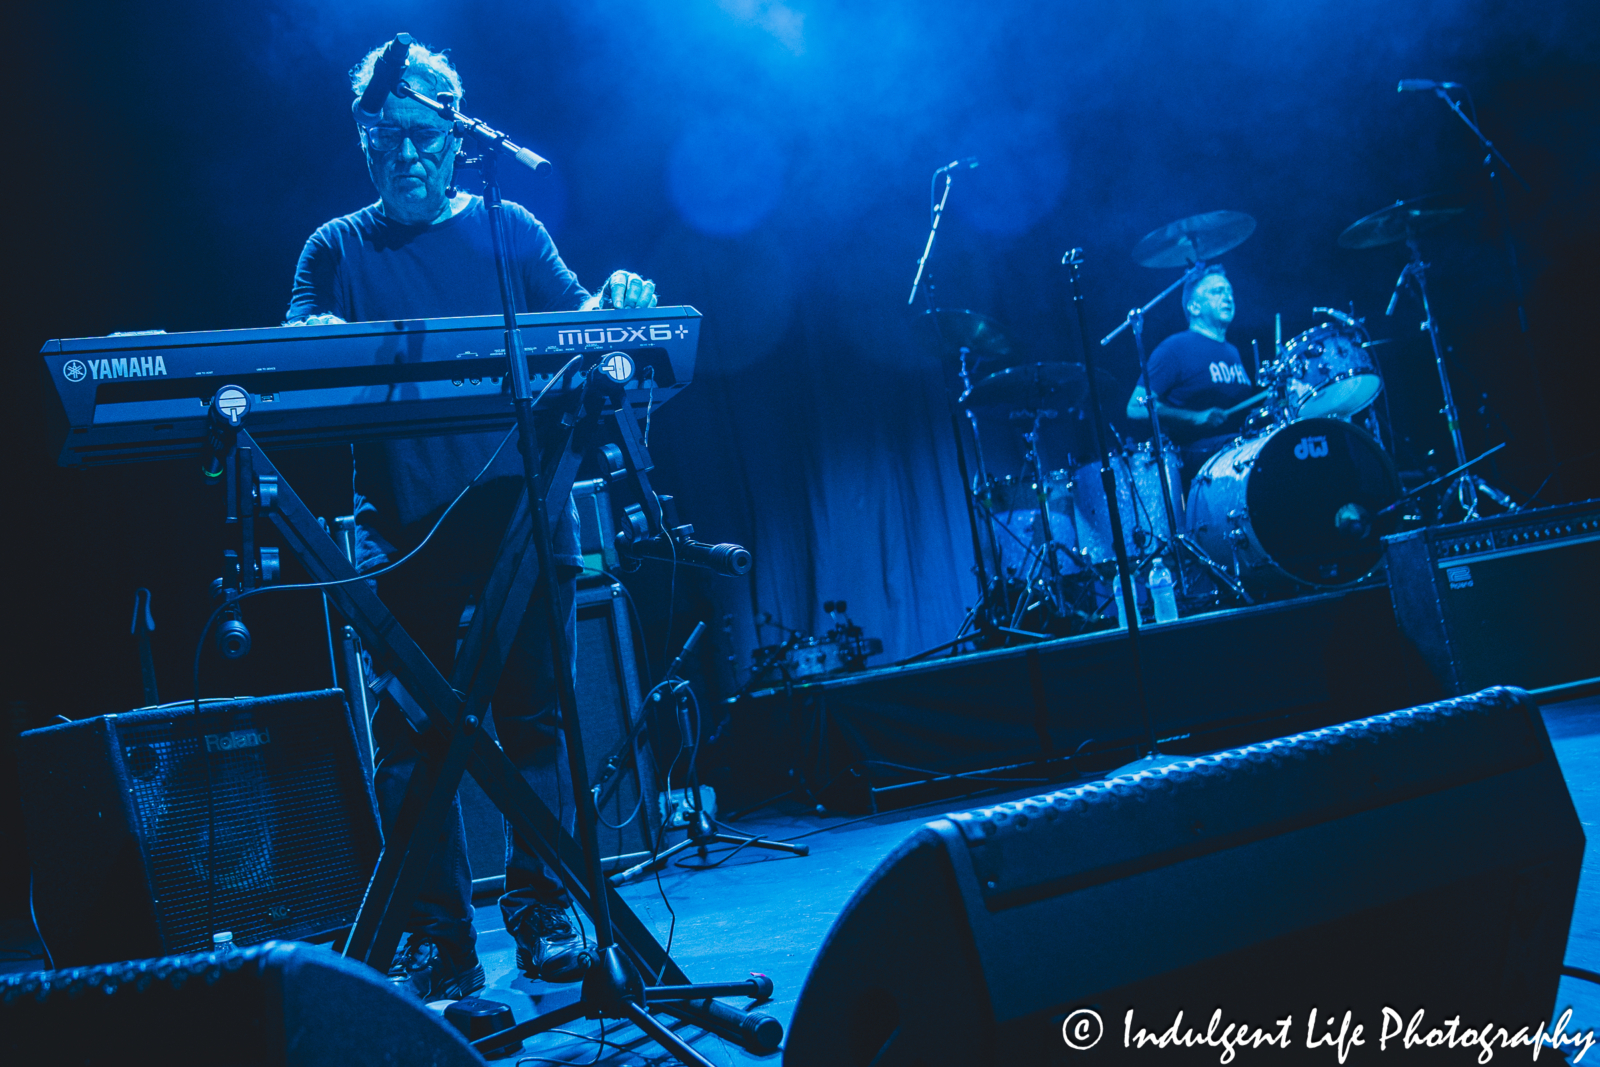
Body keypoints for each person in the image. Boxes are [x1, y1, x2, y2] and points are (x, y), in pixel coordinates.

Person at [286, 38, 658, 1002]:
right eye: (382, 137)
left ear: (457, 134)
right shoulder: (335, 250)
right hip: (399, 527)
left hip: (518, 517)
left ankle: (541, 912)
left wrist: (620, 306)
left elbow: (589, 338)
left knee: (537, 718)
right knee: (409, 740)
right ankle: (438, 937)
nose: (403, 155)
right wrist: (312, 343)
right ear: (364, 142)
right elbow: (298, 349)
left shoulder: (512, 231)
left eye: (421, 135)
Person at [1124, 265, 1266, 480]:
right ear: (1194, 307)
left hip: (1239, 448)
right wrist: (1194, 417)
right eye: (1216, 292)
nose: (1228, 297)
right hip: (1197, 457)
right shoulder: (1175, 348)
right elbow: (1135, 408)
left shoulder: (1233, 351)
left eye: (1229, 291)